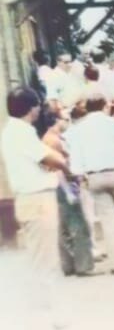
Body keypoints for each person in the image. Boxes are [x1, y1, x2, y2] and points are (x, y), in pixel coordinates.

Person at [66, 92, 114, 275]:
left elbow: (76, 159)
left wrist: (81, 175)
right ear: (104, 106)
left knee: (107, 220)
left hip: (95, 176)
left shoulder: (79, 129)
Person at [1, 87, 68, 275]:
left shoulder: (14, 131)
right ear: (31, 108)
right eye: (37, 105)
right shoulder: (20, 132)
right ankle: (42, 303)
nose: (39, 109)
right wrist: (65, 166)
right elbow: (51, 159)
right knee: (44, 259)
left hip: (30, 198)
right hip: (37, 199)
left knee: (41, 255)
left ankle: (43, 300)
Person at [42, 111, 95, 277]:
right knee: (78, 224)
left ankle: (68, 265)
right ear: (56, 121)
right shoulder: (54, 141)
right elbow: (64, 163)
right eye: (66, 119)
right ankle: (83, 265)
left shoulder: (46, 139)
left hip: (55, 184)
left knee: (63, 226)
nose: (68, 122)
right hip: (63, 183)